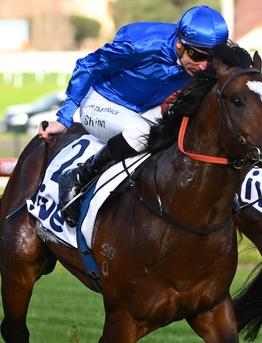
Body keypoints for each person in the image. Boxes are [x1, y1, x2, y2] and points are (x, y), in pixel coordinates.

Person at [36, 5, 229, 227]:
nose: (204, 66)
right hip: (103, 102)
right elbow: (87, 66)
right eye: (197, 56)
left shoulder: (204, 60)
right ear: (179, 45)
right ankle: (79, 175)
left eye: (211, 59)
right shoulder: (140, 46)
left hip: (147, 110)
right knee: (145, 133)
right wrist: (63, 119)